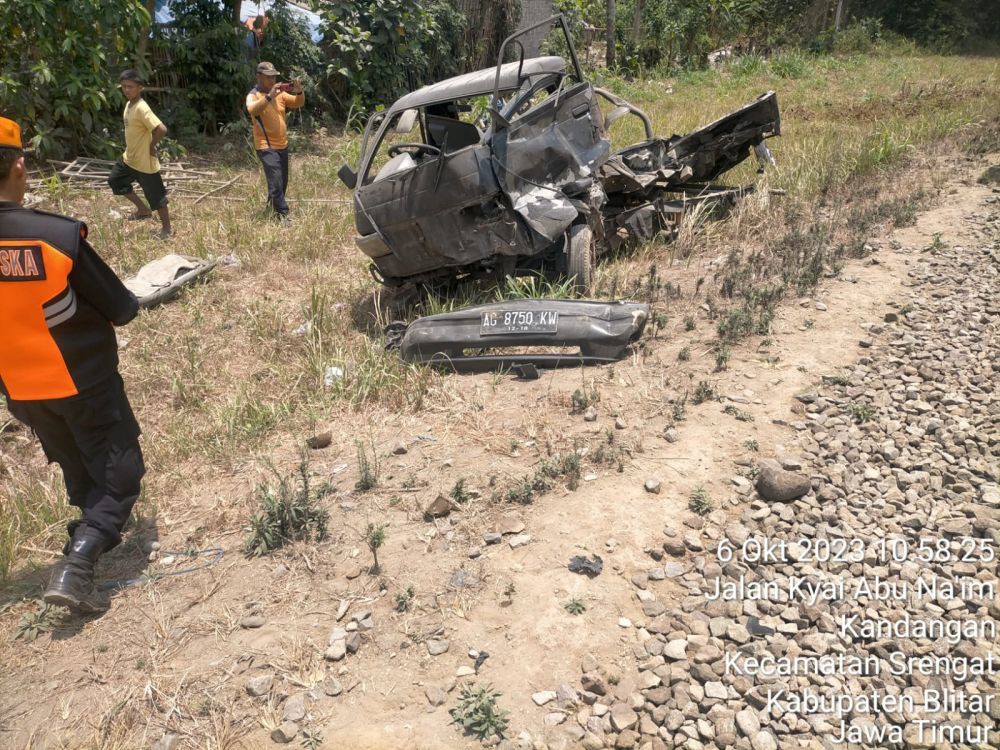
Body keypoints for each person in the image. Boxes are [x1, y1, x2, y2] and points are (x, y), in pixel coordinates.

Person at [0, 116, 145, 614]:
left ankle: (88, 522)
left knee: (77, 460)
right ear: (18, 164)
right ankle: (79, 563)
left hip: (19, 390)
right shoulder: (55, 236)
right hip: (82, 380)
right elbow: (122, 308)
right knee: (121, 472)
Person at [108, 69, 172, 240]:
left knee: (157, 197)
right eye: (124, 87)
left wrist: (151, 146)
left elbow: (161, 129)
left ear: (140, 88)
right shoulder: (130, 104)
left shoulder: (142, 108)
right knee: (115, 180)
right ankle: (143, 210)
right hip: (129, 158)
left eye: (130, 87)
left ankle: (166, 229)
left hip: (144, 162)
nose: (126, 90)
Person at [246, 61, 304, 222]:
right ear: (259, 77)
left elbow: (298, 103)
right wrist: (270, 95)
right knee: (276, 181)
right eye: (268, 77)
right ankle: (283, 215)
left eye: (273, 77)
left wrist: (299, 91)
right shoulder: (253, 95)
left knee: (281, 182)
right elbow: (252, 109)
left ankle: (272, 209)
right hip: (266, 146)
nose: (272, 80)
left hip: (282, 145)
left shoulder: (280, 94)